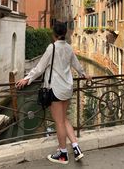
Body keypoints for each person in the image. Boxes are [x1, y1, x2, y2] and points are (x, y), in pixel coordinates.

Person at [16, 22, 90, 165]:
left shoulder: (52, 47)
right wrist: (84, 74)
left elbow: (39, 68)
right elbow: (76, 64)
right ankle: (76, 148)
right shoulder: (68, 48)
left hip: (55, 89)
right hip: (68, 88)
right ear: (65, 33)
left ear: (53, 34)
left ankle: (63, 154)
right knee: (64, 119)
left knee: (59, 122)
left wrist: (27, 79)